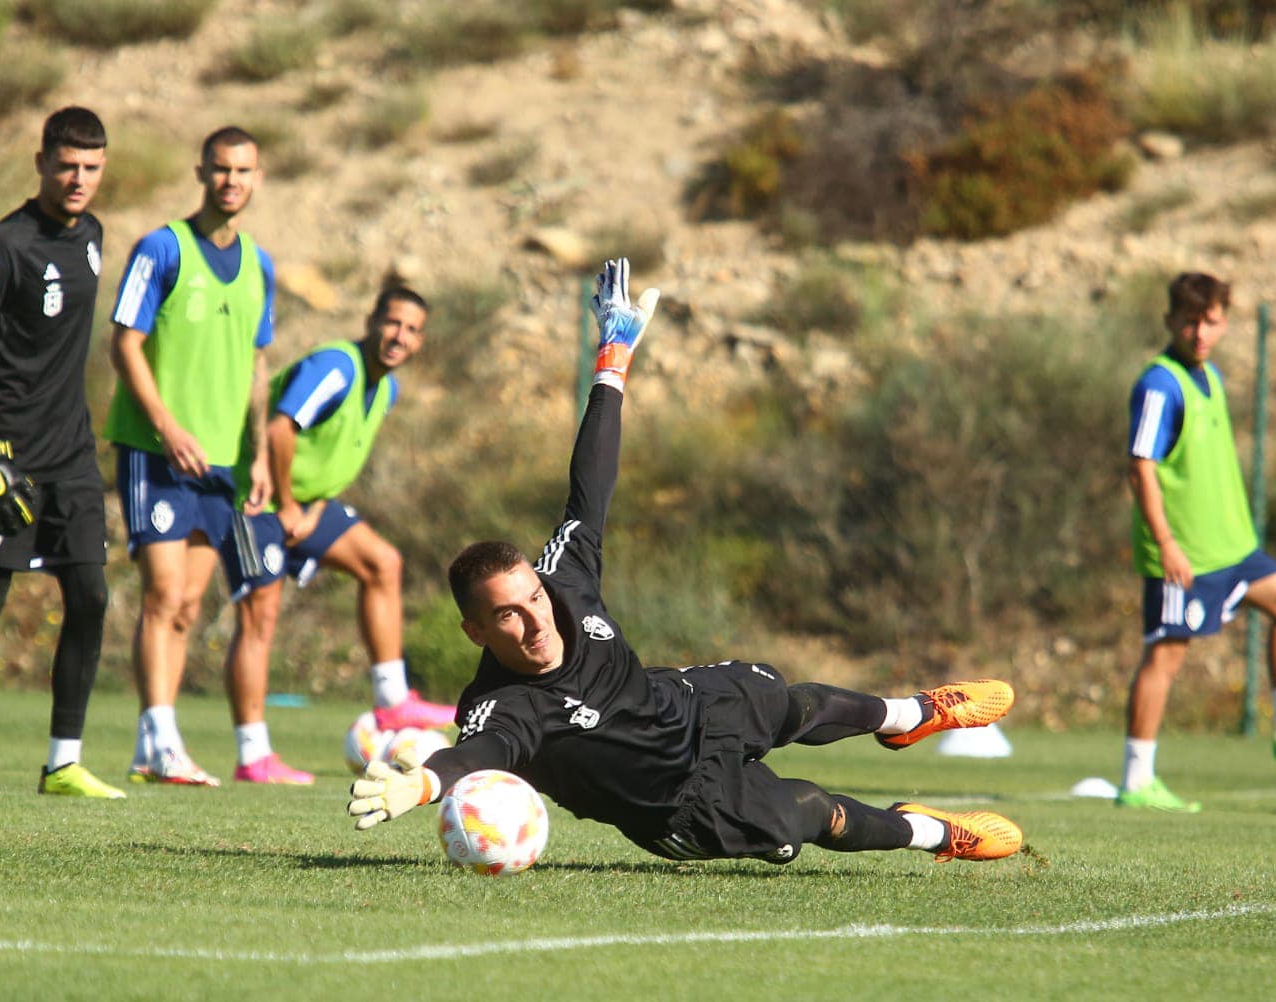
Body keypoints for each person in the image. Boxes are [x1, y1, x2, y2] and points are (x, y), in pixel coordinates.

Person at [346, 260, 1024, 866]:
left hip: (687, 705)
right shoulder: (505, 707)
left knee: (791, 702)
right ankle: (932, 834)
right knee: (812, 809)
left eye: (532, 599)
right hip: (677, 804)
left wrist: (611, 360)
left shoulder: (565, 583)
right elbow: (474, 754)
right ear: (476, 633)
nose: (535, 620)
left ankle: (910, 715)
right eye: (507, 617)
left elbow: (591, 485)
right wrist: (426, 781)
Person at [0, 107, 123, 798]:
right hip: (7, 454)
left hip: (71, 455)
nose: (78, 179)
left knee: (91, 595)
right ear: (40, 163)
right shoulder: (4, 244)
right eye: (66, 165)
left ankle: (63, 762)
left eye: (91, 167)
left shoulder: (94, 235)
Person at [1116, 272, 1276, 812]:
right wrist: (1167, 543)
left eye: (1211, 321)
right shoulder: (1159, 384)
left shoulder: (1212, 377)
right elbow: (1140, 468)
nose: (1200, 332)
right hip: (1184, 554)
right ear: (1170, 320)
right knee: (1165, 658)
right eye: (1189, 321)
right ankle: (1136, 782)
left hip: (1232, 548)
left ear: (1225, 322)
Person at [104, 126, 299, 787]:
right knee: (161, 594)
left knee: (188, 604)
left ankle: (149, 746)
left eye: (243, 170)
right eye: (220, 169)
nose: (231, 181)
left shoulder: (260, 266)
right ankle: (161, 740)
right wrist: (165, 427)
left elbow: (257, 364)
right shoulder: (161, 249)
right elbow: (124, 344)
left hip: (222, 463)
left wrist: (262, 458)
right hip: (157, 451)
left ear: (258, 177)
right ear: (200, 172)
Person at [233, 287, 457, 734]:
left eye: (412, 330)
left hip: (304, 505)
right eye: (393, 323)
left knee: (383, 563)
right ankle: (252, 753)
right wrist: (291, 505)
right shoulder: (337, 366)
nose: (400, 337)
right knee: (260, 616)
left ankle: (393, 701)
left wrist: (314, 508)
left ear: (421, 342)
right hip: (258, 499)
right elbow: (281, 429)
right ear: (371, 321)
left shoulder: (386, 388)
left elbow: (331, 457)